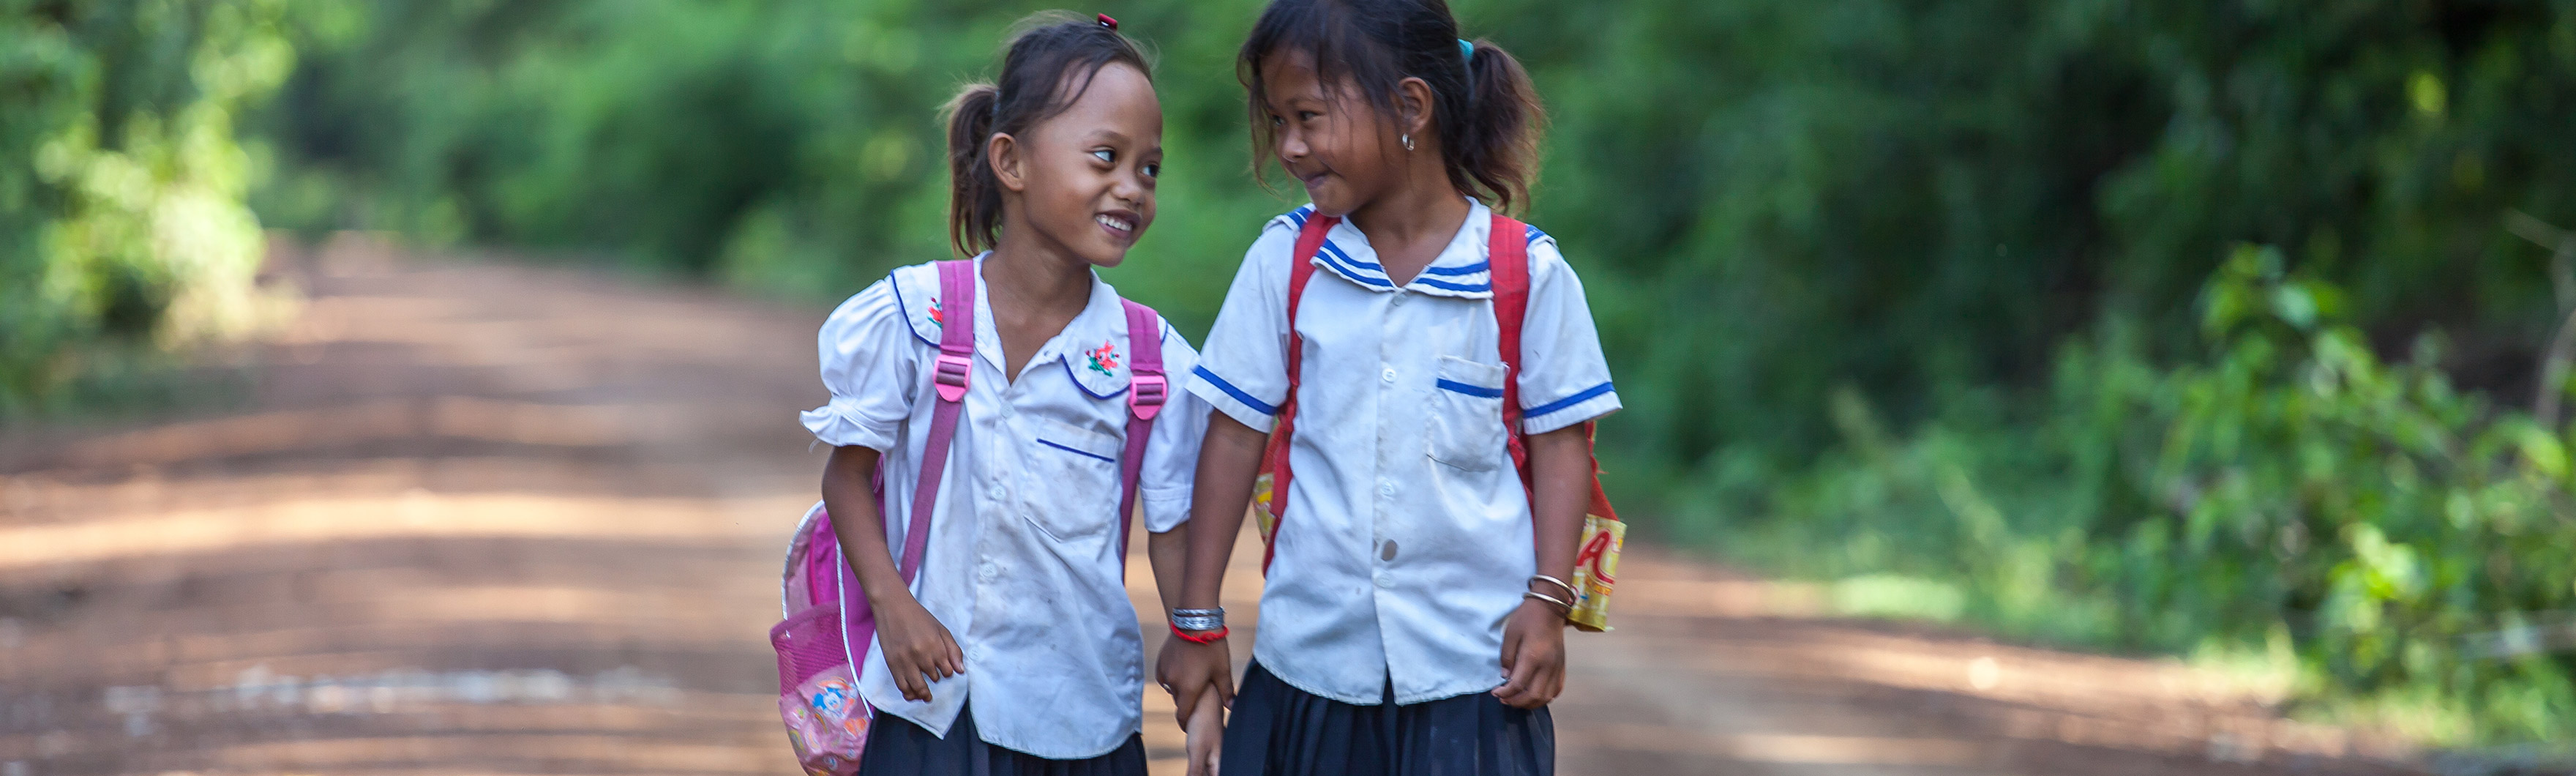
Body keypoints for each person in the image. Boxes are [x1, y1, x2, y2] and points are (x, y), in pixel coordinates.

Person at [1156, 1, 1621, 773]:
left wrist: (1546, 603)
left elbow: (1560, 446)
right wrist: (1198, 619)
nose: (1291, 145)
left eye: (1307, 115)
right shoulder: (1286, 262)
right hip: (1306, 671)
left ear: (1411, 106)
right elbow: (1234, 435)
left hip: (1472, 678)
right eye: (1277, 121)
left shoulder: (1524, 274)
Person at [799, 12, 1207, 775]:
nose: (1131, 188)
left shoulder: (1151, 364)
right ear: (1010, 162)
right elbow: (847, 473)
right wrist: (893, 603)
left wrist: (1197, 641)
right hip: (927, 711)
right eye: (1105, 157)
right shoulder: (916, 319)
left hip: (1080, 721)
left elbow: (1173, 532)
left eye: (1148, 168)